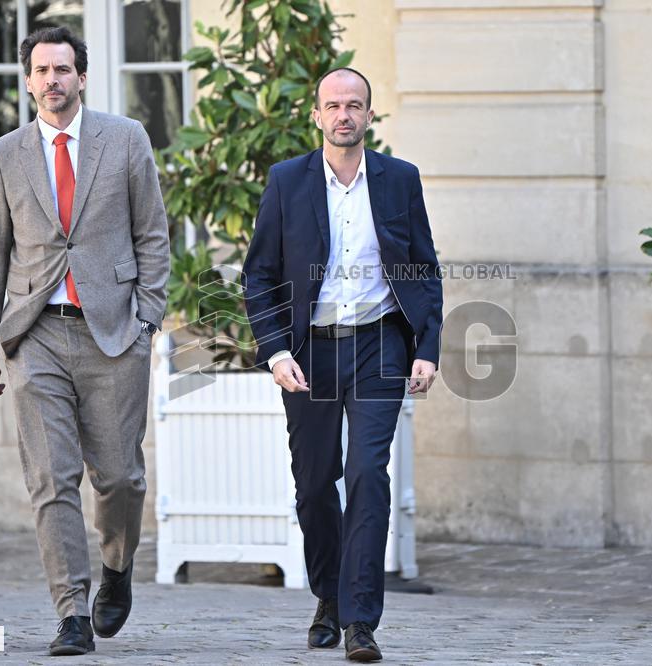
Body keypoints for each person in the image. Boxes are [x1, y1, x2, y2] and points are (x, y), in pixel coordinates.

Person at [0, 26, 170, 657]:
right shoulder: (4, 155)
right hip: (35, 336)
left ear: (82, 76)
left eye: (64, 68)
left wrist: (147, 319)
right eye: (41, 70)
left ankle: (117, 567)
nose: (53, 79)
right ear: (28, 80)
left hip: (114, 333)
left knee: (119, 478)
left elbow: (153, 236)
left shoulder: (126, 140)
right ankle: (71, 612)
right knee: (51, 480)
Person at [242, 67, 443, 662]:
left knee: (366, 474)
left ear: (369, 115)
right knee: (314, 484)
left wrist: (427, 345)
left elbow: (423, 267)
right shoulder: (287, 182)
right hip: (309, 350)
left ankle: (360, 620)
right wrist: (276, 350)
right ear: (317, 114)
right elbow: (258, 275)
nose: (343, 115)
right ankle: (327, 597)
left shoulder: (399, 179)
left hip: (379, 344)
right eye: (333, 105)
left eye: (354, 105)